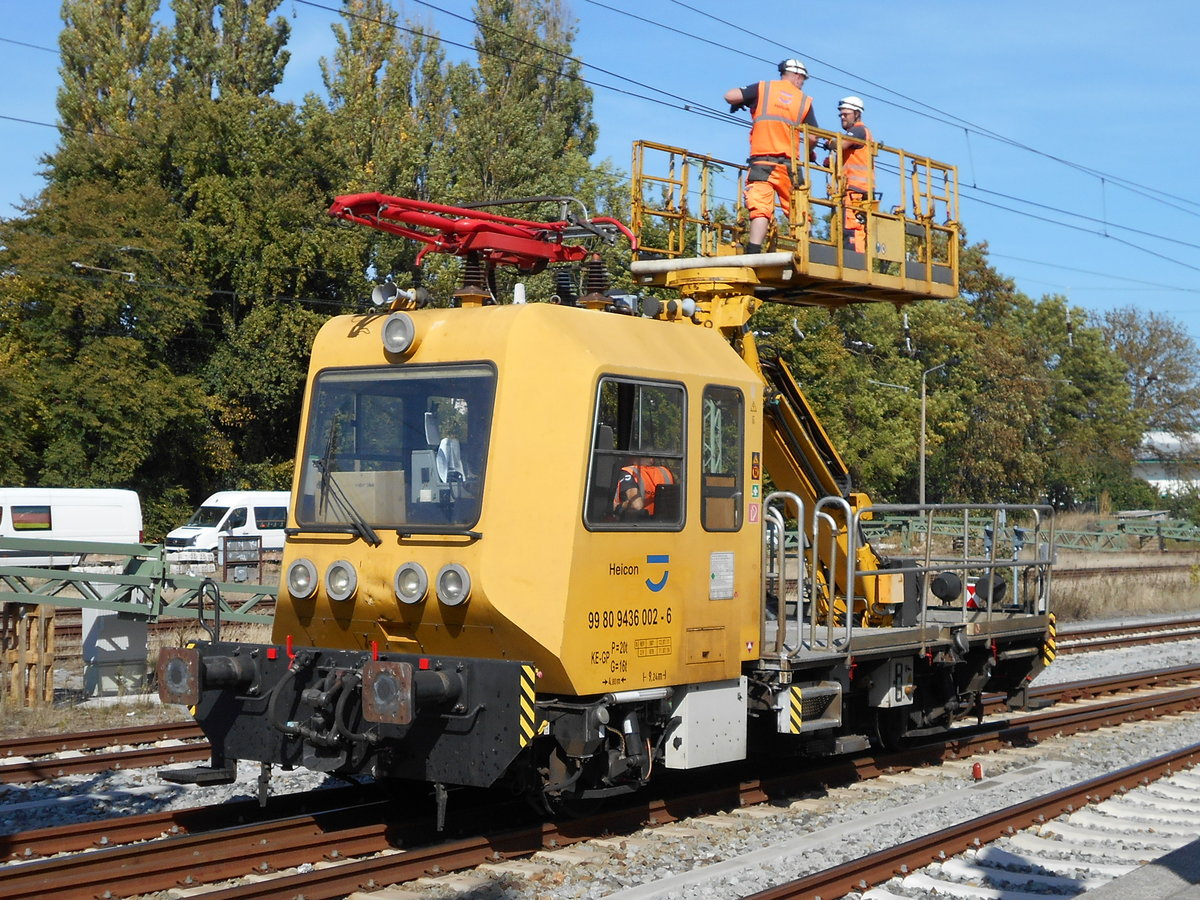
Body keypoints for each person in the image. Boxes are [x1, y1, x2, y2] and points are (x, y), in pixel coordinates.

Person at [724, 59, 818, 255]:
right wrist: (809, 152)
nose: (802, 84)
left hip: (762, 161)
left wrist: (742, 102)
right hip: (788, 165)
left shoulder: (763, 88)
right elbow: (813, 137)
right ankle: (807, 252)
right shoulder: (804, 101)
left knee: (760, 206)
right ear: (797, 76)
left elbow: (729, 96)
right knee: (798, 209)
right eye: (803, 80)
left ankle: (754, 250)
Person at [829, 96, 874, 253]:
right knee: (849, 228)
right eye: (840, 115)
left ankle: (855, 262)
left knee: (853, 228)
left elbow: (841, 144)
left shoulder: (859, 131)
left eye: (845, 114)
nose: (842, 117)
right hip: (854, 190)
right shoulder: (855, 134)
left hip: (856, 191)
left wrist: (831, 143)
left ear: (856, 113)